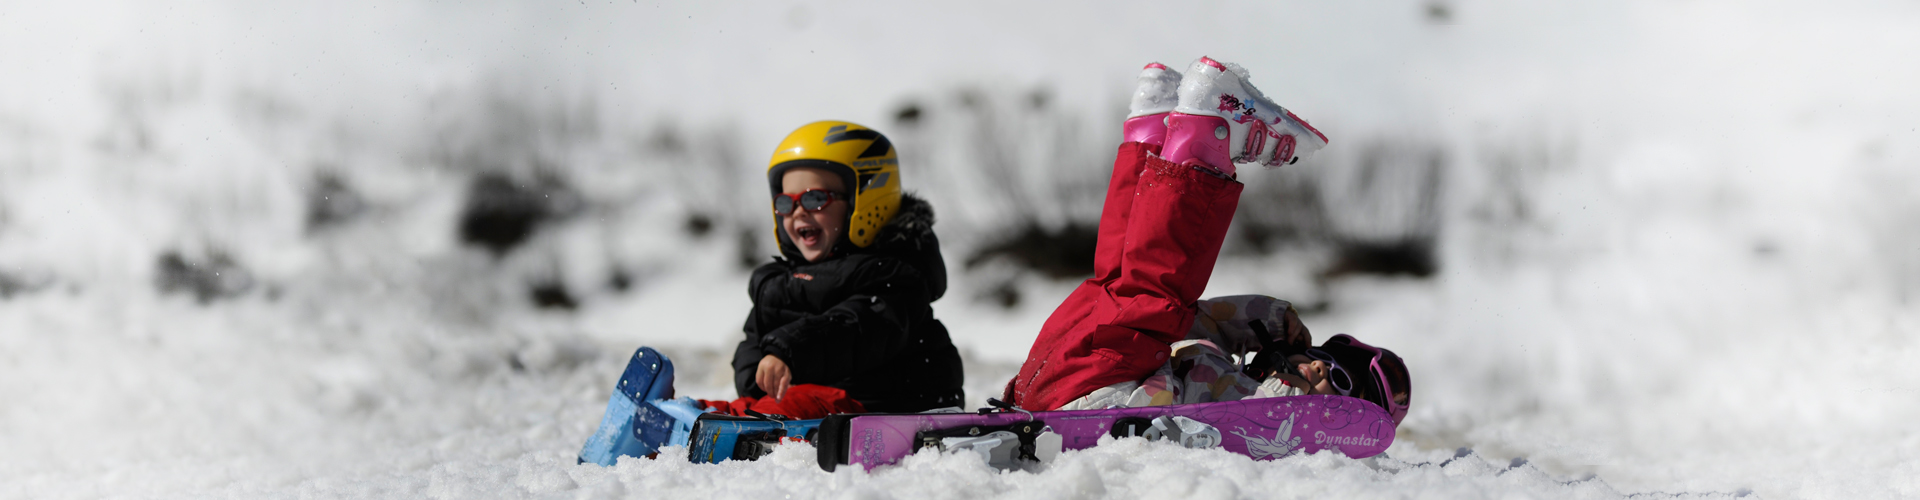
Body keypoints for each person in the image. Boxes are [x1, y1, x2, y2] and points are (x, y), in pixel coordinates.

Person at [1002, 57, 1411, 424]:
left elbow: (1201, 340)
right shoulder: (1265, 406)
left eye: (1338, 380)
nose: (1322, 369)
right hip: (1098, 389)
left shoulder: (1249, 388)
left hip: (1058, 381)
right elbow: (1210, 332)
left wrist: (1282, 384)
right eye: (1323, 359)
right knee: (1153, 299)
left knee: (1119, 282)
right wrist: (1267, 322)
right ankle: (1206, 136)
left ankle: (1156, 136)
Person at [703, 120, 965, 418]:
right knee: (753, 408)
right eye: (786, 202)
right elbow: (755, 339)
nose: (799, 211)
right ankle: (687, 418)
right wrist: (757, 376)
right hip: (810, 406)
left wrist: (788, 351)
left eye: (815, 199)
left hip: (888, 406)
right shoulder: (782, 284)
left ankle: (733, 426)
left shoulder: (895, 275)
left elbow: (856, 327)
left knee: (788, 407)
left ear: (864, 200)